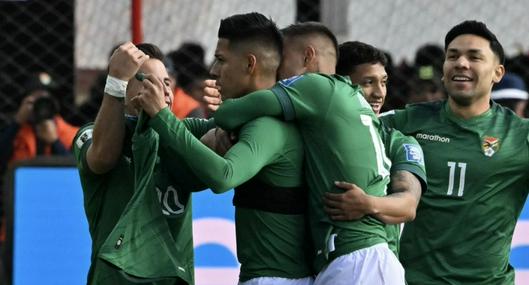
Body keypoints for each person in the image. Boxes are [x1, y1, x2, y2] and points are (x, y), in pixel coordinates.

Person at [209, 21, 408, 284]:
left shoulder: (315, 86)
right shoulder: (337, 107)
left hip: (359, 261)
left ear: (308, 56)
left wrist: (232, 123)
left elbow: (227, 113)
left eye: (283, 58)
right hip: (346, 259)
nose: (277, 70)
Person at [134, 12, 313, 285]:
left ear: (250, 64)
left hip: (277, 279)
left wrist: (162, 116)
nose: (213, 70)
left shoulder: (267, 125)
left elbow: (223, 177)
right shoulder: (250, 115)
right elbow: (196, 130)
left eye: (221, 59)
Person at [380, 20, 528, 284]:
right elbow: (353, 129)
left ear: (498, 72)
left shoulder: (519, 134)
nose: (461, 63)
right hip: (413, 280)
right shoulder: (407, 120)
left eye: (474, 57)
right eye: (453, 56)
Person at [73, 42, 200, 285]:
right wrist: (116, 81)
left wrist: (226, 111)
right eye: (149, 81)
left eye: (166, 82)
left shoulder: (182, 136)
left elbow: (223, 160)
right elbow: (102, 158)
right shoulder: (89, 135)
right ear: (123, 90)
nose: (163, 91)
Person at [331, 40, 426, 256]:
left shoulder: (398, 142)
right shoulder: (318, 133)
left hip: (373, 261)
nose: (379, 93)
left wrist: (366, 204)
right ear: (342, 85)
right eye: (368, 83)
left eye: (383, 82)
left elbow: (408, 205)